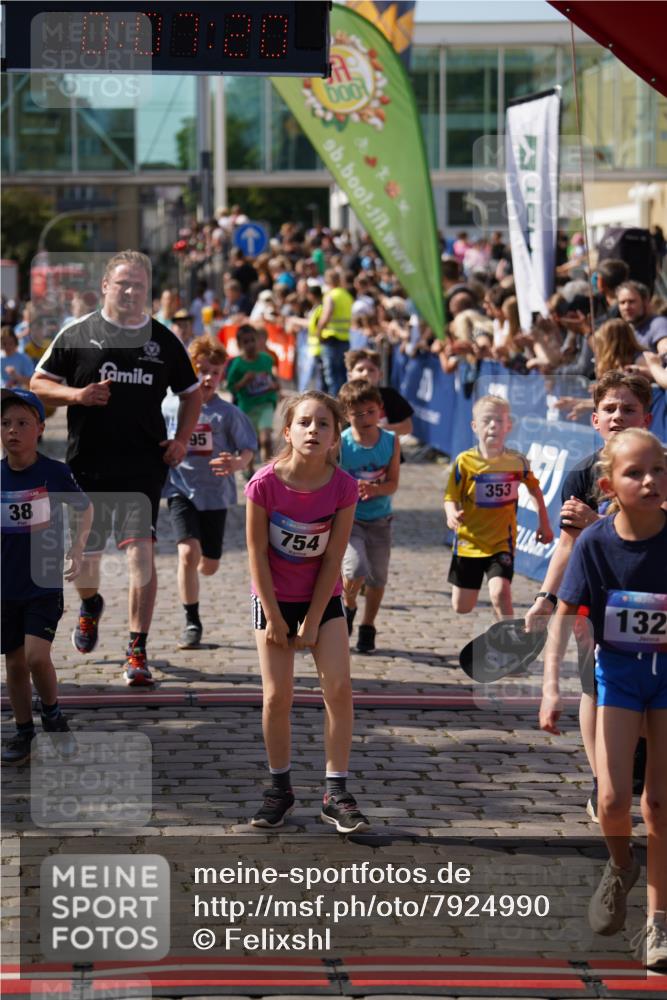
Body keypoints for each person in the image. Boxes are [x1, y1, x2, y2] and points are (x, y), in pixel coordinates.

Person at [31, 250, 202, 686]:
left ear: (148, 292)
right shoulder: (78, 333)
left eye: (139, 286)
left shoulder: (162, 340)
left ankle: (136, 649)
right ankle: (90, 606)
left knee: (140, 556)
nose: (130, 292)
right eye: (123, 283)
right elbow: (37, 384)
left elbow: (192, 392)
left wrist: (181, 440)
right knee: (84, 567)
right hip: (86, 466)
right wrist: (78, 396)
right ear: (105, 286)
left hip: (143, 466)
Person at [540, 428, 667, 970]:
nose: (650, 481)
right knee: (613, 801)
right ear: (608, 484)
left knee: (659, 804)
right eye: (636, 473)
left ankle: (658, 925)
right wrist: (550, 688)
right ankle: (620, 866)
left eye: (659, 470)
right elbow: (565, 618)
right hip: (616, 675)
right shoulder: (595, 544)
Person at [528, 371, 653, 820]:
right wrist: (546, 596)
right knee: (592, 685)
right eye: (611, 409)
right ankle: (603, 777)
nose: (619, 416)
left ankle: (636, 763)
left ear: (648, 417)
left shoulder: (659, 466)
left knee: (646, 693)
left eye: (629, 408)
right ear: (595, 419)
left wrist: (595, 521)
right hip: (598, 597)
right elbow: (566, 543)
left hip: (651, 593)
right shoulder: (581, 472)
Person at [244, 390, 369, 833]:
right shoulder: (264, 484)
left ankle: (336, 791)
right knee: (277, 696)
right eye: (304, 423)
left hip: (322, 598)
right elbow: (256, 554)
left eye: (323, 424)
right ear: (287, 432)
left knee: (338, 686)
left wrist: (314, 619)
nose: (313, 430)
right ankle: (279, 788)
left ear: (336, 437)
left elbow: (333, 557)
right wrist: (276, 619)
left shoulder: (343, 487)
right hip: (273, 598)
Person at [1, 388, 93, 763]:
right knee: (15, 664)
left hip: (42, 583)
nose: (13, 431)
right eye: (5, 423)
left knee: (38, 657)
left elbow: (84, 509)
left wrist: (77, 547)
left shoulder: (54, 472)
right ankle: (24, 732)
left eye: (23, 423)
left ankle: (53, 713)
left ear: (39, 428)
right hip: (5, 588)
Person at [163, 336, 256, 648]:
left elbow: (247, 450)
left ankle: (204, 560)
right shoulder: (170, 405)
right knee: (187, 553)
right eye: (201, 370)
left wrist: (236, 463)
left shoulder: (227, 413)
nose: (207, 378)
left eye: (214, 372)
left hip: (215, 494)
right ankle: (192, 620)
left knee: (209, 564)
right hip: (180, 488)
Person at [444, 395, 553, 618]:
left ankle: (508, 640)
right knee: (462, 606)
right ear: (475, 426)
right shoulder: (464, 462)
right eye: (487, 420)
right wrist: (451, 513)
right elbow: (450, 496)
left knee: (500, 593)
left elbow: (534, 490)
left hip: (501, 542)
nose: (493, 425)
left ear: (508, 426)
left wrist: (544, 524)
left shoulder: (517, 461)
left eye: (499, 421)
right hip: (469, 541)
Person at [338, 380, 400, 654]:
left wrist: (375, 489)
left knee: (377, 579)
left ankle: (368, 625)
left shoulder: (390, 441)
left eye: (370, 412)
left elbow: (393, 483)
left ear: (380, 410)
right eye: (357, 414)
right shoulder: (340, 444)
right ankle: (348, 605)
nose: (365, 419)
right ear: (345, 414)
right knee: (354, 569)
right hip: (349, 520)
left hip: (380, 520)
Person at [225, 323, 279, 467]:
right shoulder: (237, 364)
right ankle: (249, 469)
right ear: (239, 344)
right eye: (246, 341)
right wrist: (243, 381)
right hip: (247, 407)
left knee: (266, 440)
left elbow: (273, 380)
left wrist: (275, 386)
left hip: (265, 404)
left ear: (258, 340)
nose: (250, 344)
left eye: (252, 340)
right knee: (249, 444)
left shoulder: (266, 359)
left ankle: (267, 470)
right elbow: (231, 388)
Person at [344, 348, 413, 436]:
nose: (366, 373)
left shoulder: (390, 395)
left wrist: (382, 430)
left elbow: (408, 427)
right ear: (350, 375)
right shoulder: (344, 399)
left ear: (380, 375)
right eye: (360, 370)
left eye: (371, 370)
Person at [316, 269, 353, 396]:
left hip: (331, 339)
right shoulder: (346, 295)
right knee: (342, 376)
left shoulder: (330, 295)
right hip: (345, 338)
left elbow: (326, 316)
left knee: (332, 377)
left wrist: (318, 332)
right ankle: (343, 402)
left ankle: (334, 406)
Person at [617, 281, 667, 356]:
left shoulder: (658, 324)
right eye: (622, 303)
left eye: (631, 302)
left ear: (645, 302)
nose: (626, 307)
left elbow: (664, 348)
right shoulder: (626, 330)